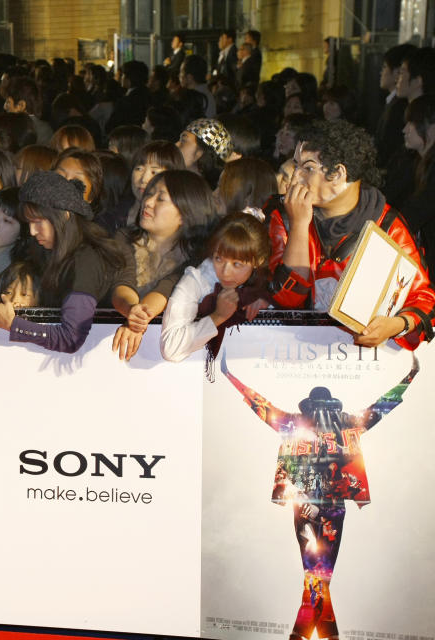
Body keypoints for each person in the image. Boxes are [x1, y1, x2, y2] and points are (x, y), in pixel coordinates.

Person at [221, 353, 418, 640]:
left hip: (303, 506)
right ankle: (321, 636)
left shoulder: (294, 423)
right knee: (319, 573)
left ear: (309, 405)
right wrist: (409, 377)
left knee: (316, 573)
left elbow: (259, 404)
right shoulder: (349, 422)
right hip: (333, 506)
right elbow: (382, 405)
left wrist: (230, 376)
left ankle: (304, 635)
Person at [269, 119, 434, 349]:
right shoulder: (285, 218)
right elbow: (287, 300)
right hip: (294, 353)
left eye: (307, 168)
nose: (295, 178)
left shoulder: (386, 225)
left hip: (362, 365)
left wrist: (395, 324)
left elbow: (422, 296)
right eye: (295, 166)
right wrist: (298, 226)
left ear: (338, 174)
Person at [0, 171, 123, 353]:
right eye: (29, 223)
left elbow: (71, 338)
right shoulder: (50, 252)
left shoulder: (85, 260)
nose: (32, 231)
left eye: (38, 222)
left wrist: (12, 324)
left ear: (64, 216)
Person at [110, 170, 214, 361]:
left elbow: (169, 287)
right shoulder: (123, 238)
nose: (148, 202)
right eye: (150, 194)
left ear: (185, 213)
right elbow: (123, 281)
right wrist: (133, 312)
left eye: (161, 198)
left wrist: (138, 319)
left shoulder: (200, 257)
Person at [160, 211, 270, 374]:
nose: (225, 272)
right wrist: (218, 316)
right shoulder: (196, 280)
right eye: (218, 258)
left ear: (258, 261)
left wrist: (267, 300)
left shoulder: (269, 281)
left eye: (237, 264)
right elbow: (170, 348)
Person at [399, 95, 435, 262]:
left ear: (431, 128)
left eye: (412, 123)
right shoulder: (419, 162)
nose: (405, 129)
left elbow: (417, 210)